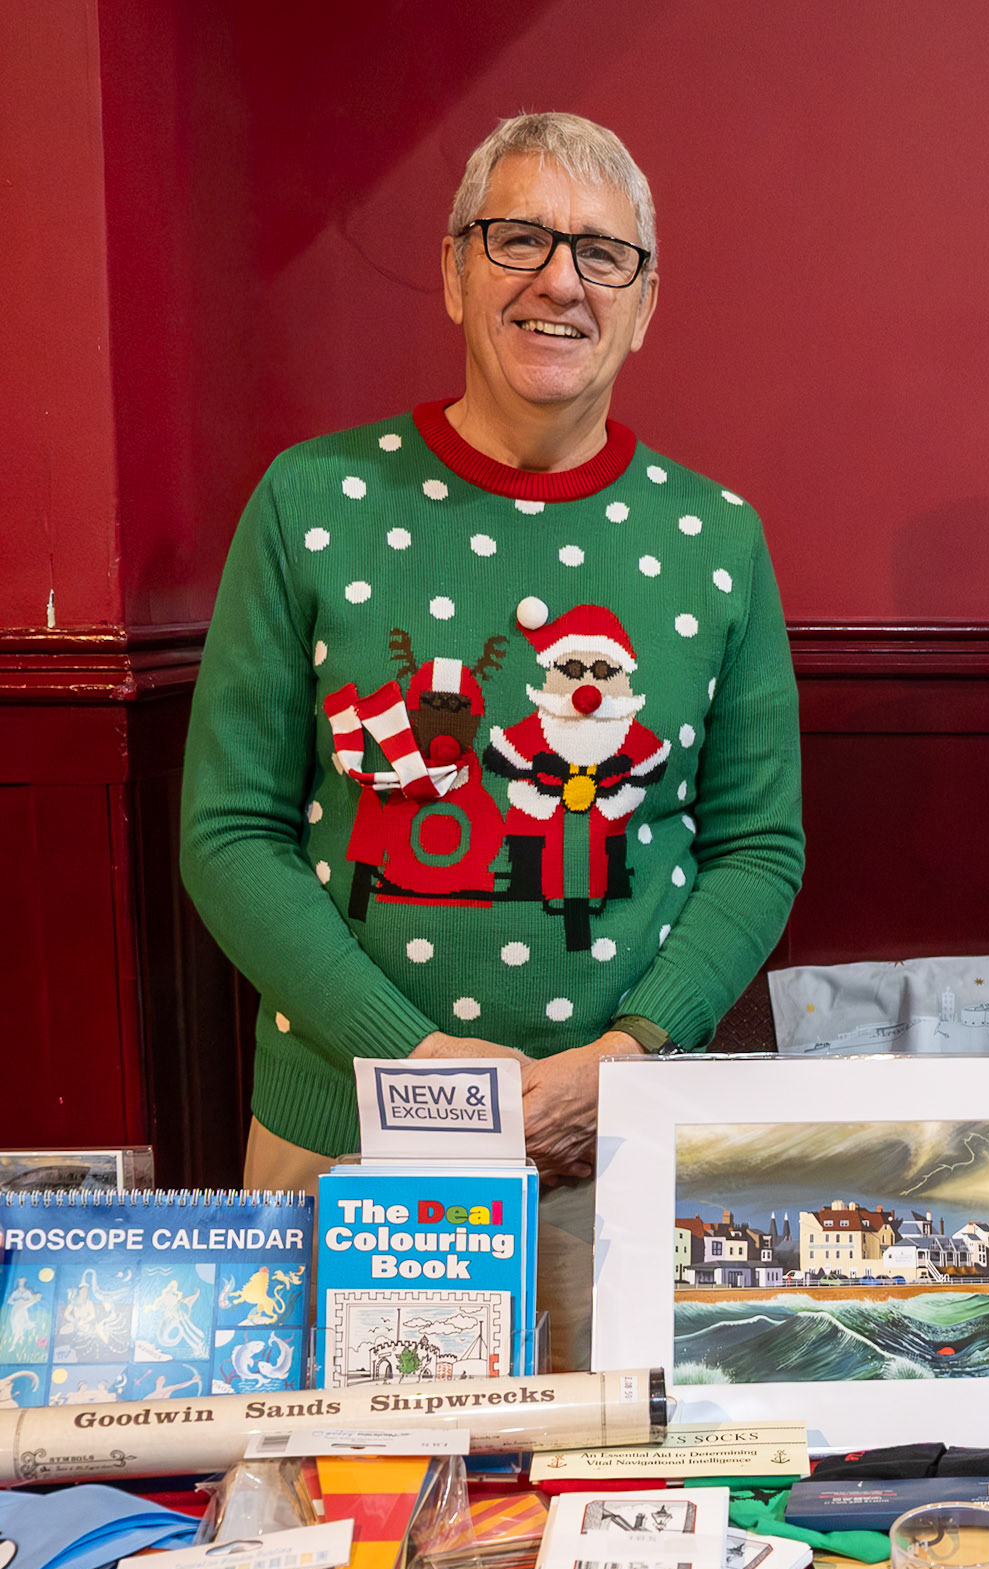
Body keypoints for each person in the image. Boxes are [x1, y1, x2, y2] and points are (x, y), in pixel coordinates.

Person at [181, 113, 804, 1345]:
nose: (559, 278)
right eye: (518, 237)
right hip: (339, 1137)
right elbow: (229, 832)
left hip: (617, 1152)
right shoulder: (313, 500)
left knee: (603, 1501)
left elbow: (755, 848)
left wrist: (623, 1057)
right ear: (458, 271)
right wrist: (412, 1065)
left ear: (643, 303)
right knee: (347, 1509)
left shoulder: (715, 538)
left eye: (600, 254)